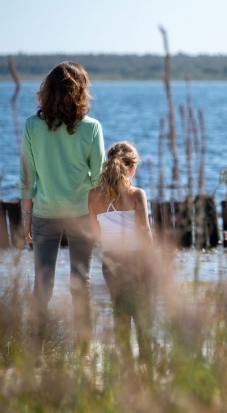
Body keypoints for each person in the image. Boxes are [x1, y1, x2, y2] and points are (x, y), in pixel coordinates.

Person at [20, 61, 105, 356]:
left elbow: (27, 178)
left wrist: (26, 216)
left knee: (42, 285)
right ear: (80, 91)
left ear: (47, 91)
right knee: (81, 283)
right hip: (82, 214)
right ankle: (83, 351)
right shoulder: (92, 128)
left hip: (44, 212)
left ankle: (35, 351)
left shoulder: (32, 125)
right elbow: (99, 179)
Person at [89, 141, 155, 365]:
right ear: (132, 167)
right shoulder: (137, 195)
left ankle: (125, 365)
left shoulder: (93, 196)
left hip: (110, 262)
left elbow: (97, 235)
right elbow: (145, 231)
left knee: (120, 312)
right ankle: (145, 363)